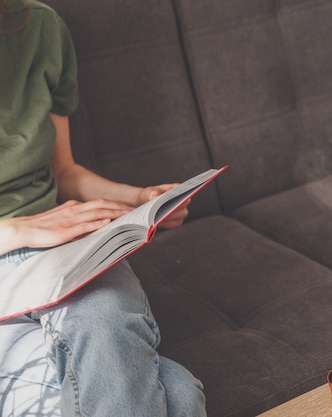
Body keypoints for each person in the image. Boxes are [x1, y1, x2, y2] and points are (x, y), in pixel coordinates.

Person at [0, 1, 207, 415]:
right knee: (179, 395)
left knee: (107, 320)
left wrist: (138, 198)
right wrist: (19, 230)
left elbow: (64, 170)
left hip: (60, 245)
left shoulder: (41, 27)